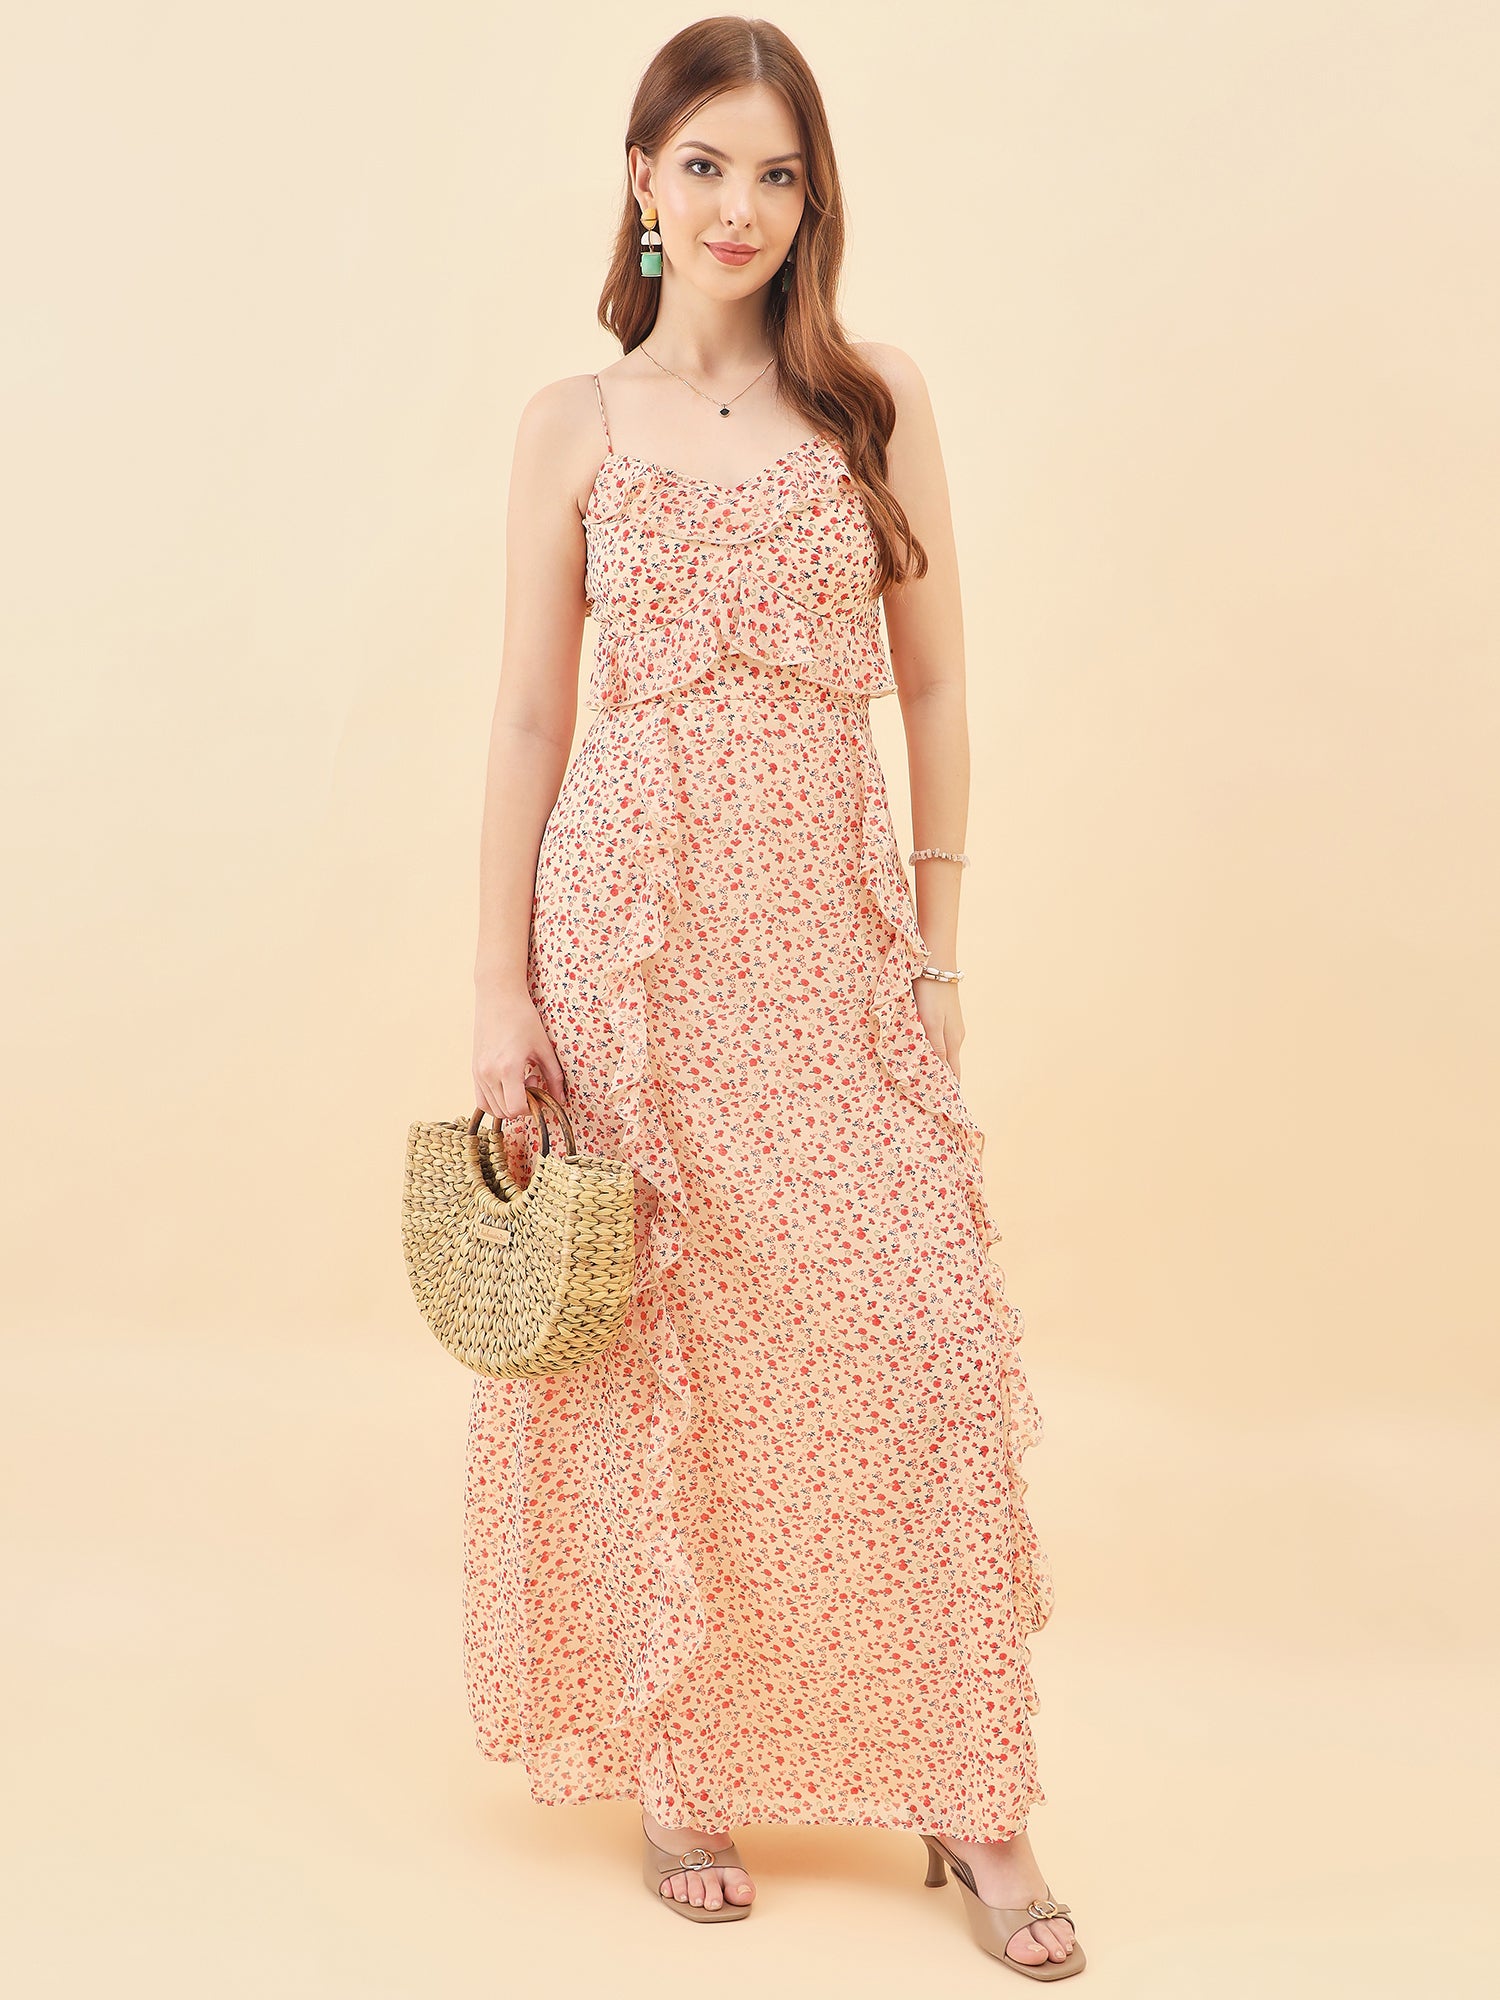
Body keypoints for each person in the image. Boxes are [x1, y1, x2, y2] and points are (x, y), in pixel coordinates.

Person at [464, 17, 1082, 1978]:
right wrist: (501, 990)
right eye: (706, 165)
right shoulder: (572, 421)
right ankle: (684, 1760)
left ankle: (971, 1795)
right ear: (642, 184)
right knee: (667, 1346)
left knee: (918, 1336)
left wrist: (938, 940)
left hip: (823, 941)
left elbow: (941, 693)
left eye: (778, 171)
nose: (741, 205)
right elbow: (531, 716)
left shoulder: (871, 401)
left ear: (815, 198)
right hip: (631, 943)